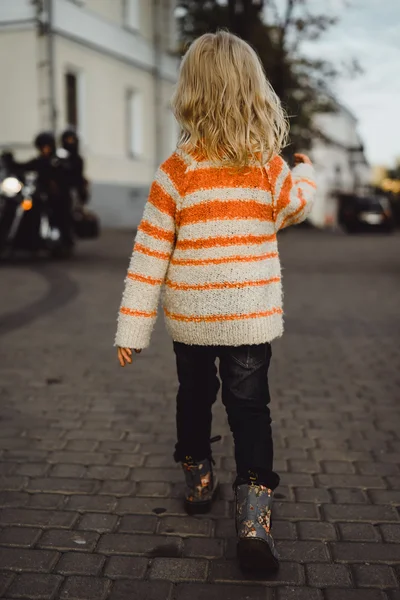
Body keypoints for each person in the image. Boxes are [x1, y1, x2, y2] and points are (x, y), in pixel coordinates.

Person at [115, 31, 316, 572]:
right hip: (249, 315)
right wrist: (307, 173)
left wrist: (132, 330)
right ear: (253, 90)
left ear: (191, 93)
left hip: (192, 316)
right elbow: (292, 208)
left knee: (194, 396)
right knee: (251, 411)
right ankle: (254, 523)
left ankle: (199, 478)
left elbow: (149, 254)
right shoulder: (268, 167)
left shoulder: (175, 171)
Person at [60, 129, 89, 205]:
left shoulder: (78, 159)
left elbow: (78, 177)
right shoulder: (59, 156)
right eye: (68, 140)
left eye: (71, 140)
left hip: (72, 191)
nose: (69, 142)